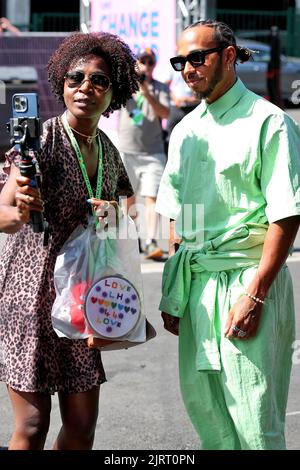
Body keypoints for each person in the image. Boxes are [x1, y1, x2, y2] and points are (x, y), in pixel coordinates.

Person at [156, 19, 300, 450]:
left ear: (230, 55)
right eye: (180, 61)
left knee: (254, 420)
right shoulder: (185, 130)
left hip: (247, 278)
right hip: (198, 284)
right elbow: (178, 215)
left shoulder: (269, 122)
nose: (188, 68)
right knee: (207, 414)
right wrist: (175, 289)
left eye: (198, 57)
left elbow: (286, 214)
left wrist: (255, 295)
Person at [0, 31, 139, 450]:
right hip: (31, 296)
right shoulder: (37, 142)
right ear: (61, 83)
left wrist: (113, 216)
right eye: (76, 78)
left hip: (82, 297)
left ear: (113, 91)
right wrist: (17, 210)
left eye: (99, 80)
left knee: (82, 425)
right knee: (33, 425)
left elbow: (125, 214)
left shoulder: (109, 151)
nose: (86, 88)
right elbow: (4, 212)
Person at [118, 48, 170, 260]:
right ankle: (132, 239)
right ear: (137, 63)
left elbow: (165, 113)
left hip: (153, 152)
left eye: (150, 62)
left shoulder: (160, 88)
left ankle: (150, 241)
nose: (147, 65)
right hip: (128, 150)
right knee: (127, 199)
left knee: (151, 197)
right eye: (143, 61)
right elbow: (134, 116)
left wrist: (147, 92)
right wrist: (134, 85)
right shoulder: (127, 88)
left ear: (154, 65)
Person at [164, 67, 200, 153]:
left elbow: (202, 91)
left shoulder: (196, 67)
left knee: (194, 136)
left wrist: (191, 99)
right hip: (176, 108)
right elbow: (166, 85)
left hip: (192, 107)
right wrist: (175, 98)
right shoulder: (172, 68)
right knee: (170, 135)